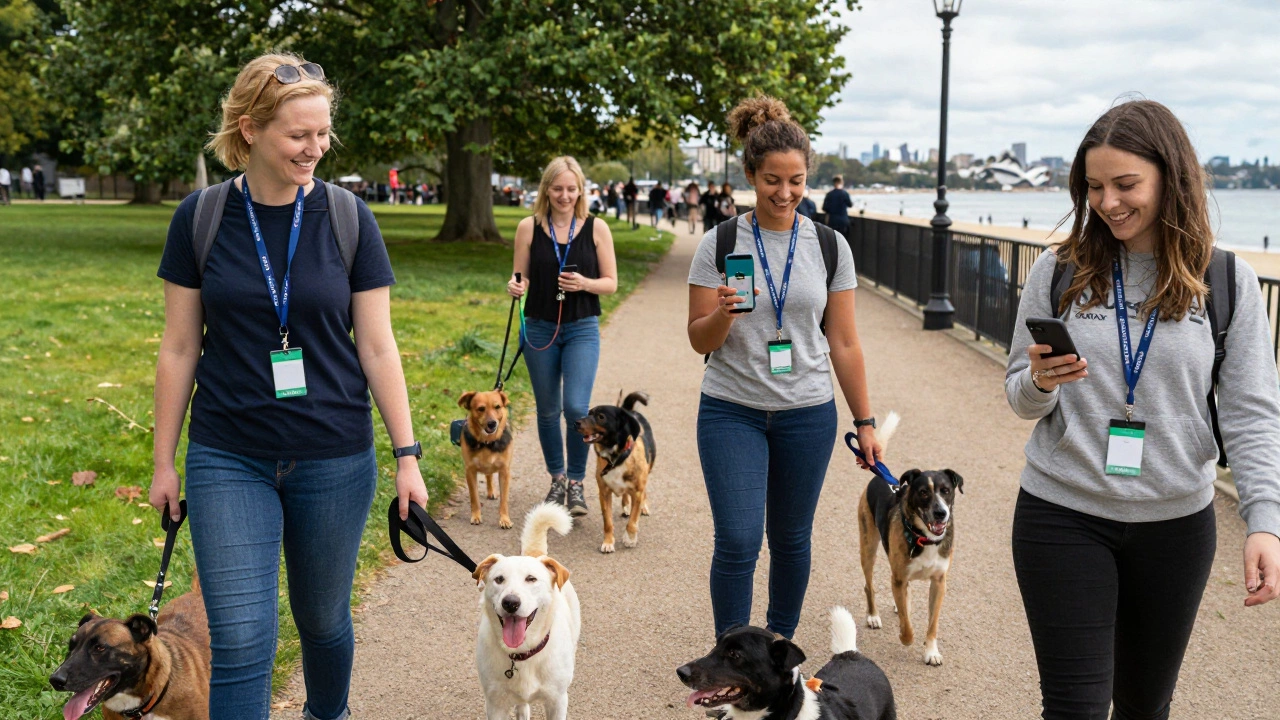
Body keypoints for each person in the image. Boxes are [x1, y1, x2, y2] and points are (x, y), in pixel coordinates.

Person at [151, 52, 428, 720]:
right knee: (243, 638)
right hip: (228, 454)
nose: (316, 148)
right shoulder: (201, 217)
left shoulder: (350, 218)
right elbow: (180, 345)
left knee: (323, 621)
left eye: (323, 132)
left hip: (335, 454)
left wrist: (408, 456)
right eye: (298, 135)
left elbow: (378, 345)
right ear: (249, 129)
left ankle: (325, 713)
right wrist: (163, 460)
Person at [1005, 99, 1280, 719]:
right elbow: (1018, 396)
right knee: (1073, 708)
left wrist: (1264, 519)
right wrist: (1042, 383)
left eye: (1126, 184)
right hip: (1062, 513)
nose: (1108, 202)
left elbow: (1252, 412)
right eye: (1095, 187)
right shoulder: (1058, 271)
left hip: (1177, 527)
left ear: (1170, 179)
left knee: (1144, 708)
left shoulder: (1227, 280)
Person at [687, 96, 883, 640]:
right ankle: (731, 654)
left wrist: (864, 422)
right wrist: (723, 314)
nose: (785, 193)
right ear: (750, 174)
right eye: (772, 180)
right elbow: (696, 336)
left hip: (807, 412)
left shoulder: (829, 245)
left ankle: (777, 648)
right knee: (739, 538)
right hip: (732, 410)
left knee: (792, 539)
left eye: (796, 180)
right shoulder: (719, 242)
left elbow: (843, 342)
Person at [508, 156, 618, 517]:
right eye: (557, 188)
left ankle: (576, 482)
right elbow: (519, 277)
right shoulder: (529, 227)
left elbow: (611, 284)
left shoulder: (596, 228)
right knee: (547, 409)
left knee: (575, 407)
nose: (565, 195)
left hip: (582, 327)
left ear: (581, 190)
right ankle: (556, 479)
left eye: (571, 189)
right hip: (539, 327)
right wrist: (514, 286)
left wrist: (584, 283)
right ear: (546, 190)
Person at [822, 175, 852, 239]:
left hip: (832, 221)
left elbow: (825, 208)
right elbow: (850, 204)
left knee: (833, 241)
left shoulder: (829, 194)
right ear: (841, 182)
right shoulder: (845, 193)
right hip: (843, 221)